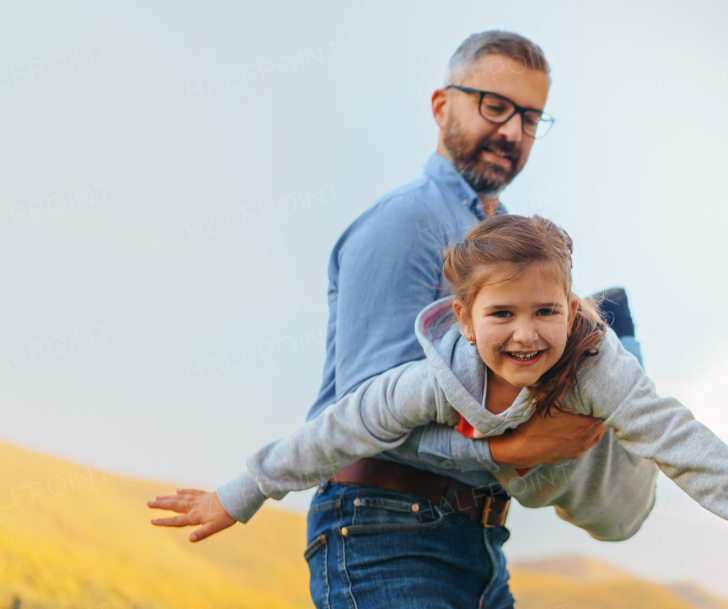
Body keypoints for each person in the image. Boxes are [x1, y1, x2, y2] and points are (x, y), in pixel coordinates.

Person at [166, 30, 652, 608]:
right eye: (495, 107)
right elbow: (367, 409)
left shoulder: (510, 254)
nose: (512, 132)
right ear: (442, 105)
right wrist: (508, 452)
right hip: (385, 532)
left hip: (477, 542)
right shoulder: (407, 222)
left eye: (530, 118)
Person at [148, 215, 728, 604]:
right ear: (463, 317)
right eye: (503, 313)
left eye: (547, 310)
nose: (526, 333)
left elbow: (685, 443)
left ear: (571, 307)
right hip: (455, 514)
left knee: (630, 479)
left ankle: (622, 323)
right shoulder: (424, 383)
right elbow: (333, 432)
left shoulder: (591, 367)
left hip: (589, 481)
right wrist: (238, 494)